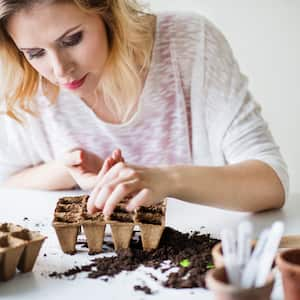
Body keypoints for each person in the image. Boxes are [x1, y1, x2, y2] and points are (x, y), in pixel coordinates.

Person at [0, 0, 288, 217]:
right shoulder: (29, 81)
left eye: (72, 39)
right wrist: (66, 171)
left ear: (107, 11)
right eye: (35, 53)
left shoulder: (187, 42)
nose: (60, 70)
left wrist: (166, 180)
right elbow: (8, 180)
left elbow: (270, 183)